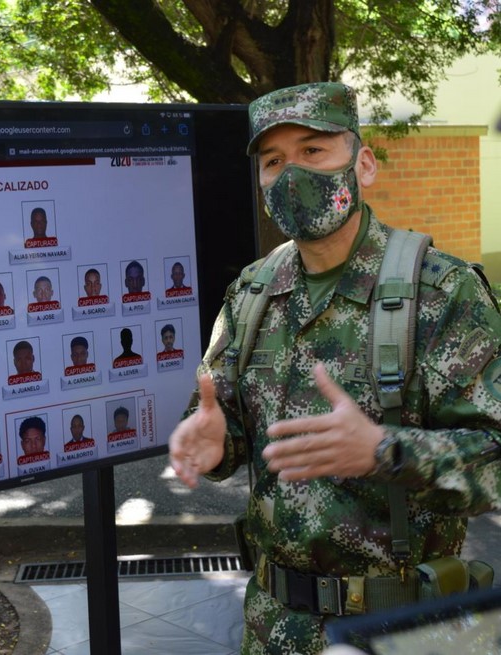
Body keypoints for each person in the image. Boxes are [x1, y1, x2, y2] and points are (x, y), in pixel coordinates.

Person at [168, 82, 501, 654]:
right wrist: (214, 443)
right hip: (274, 627)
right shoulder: (251, 294)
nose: (292, 172)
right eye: (274, 161)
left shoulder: (442, 293)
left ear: (363, 164)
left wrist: (384, 451)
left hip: (401, 631)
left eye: (313, 150)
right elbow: (223, 426)